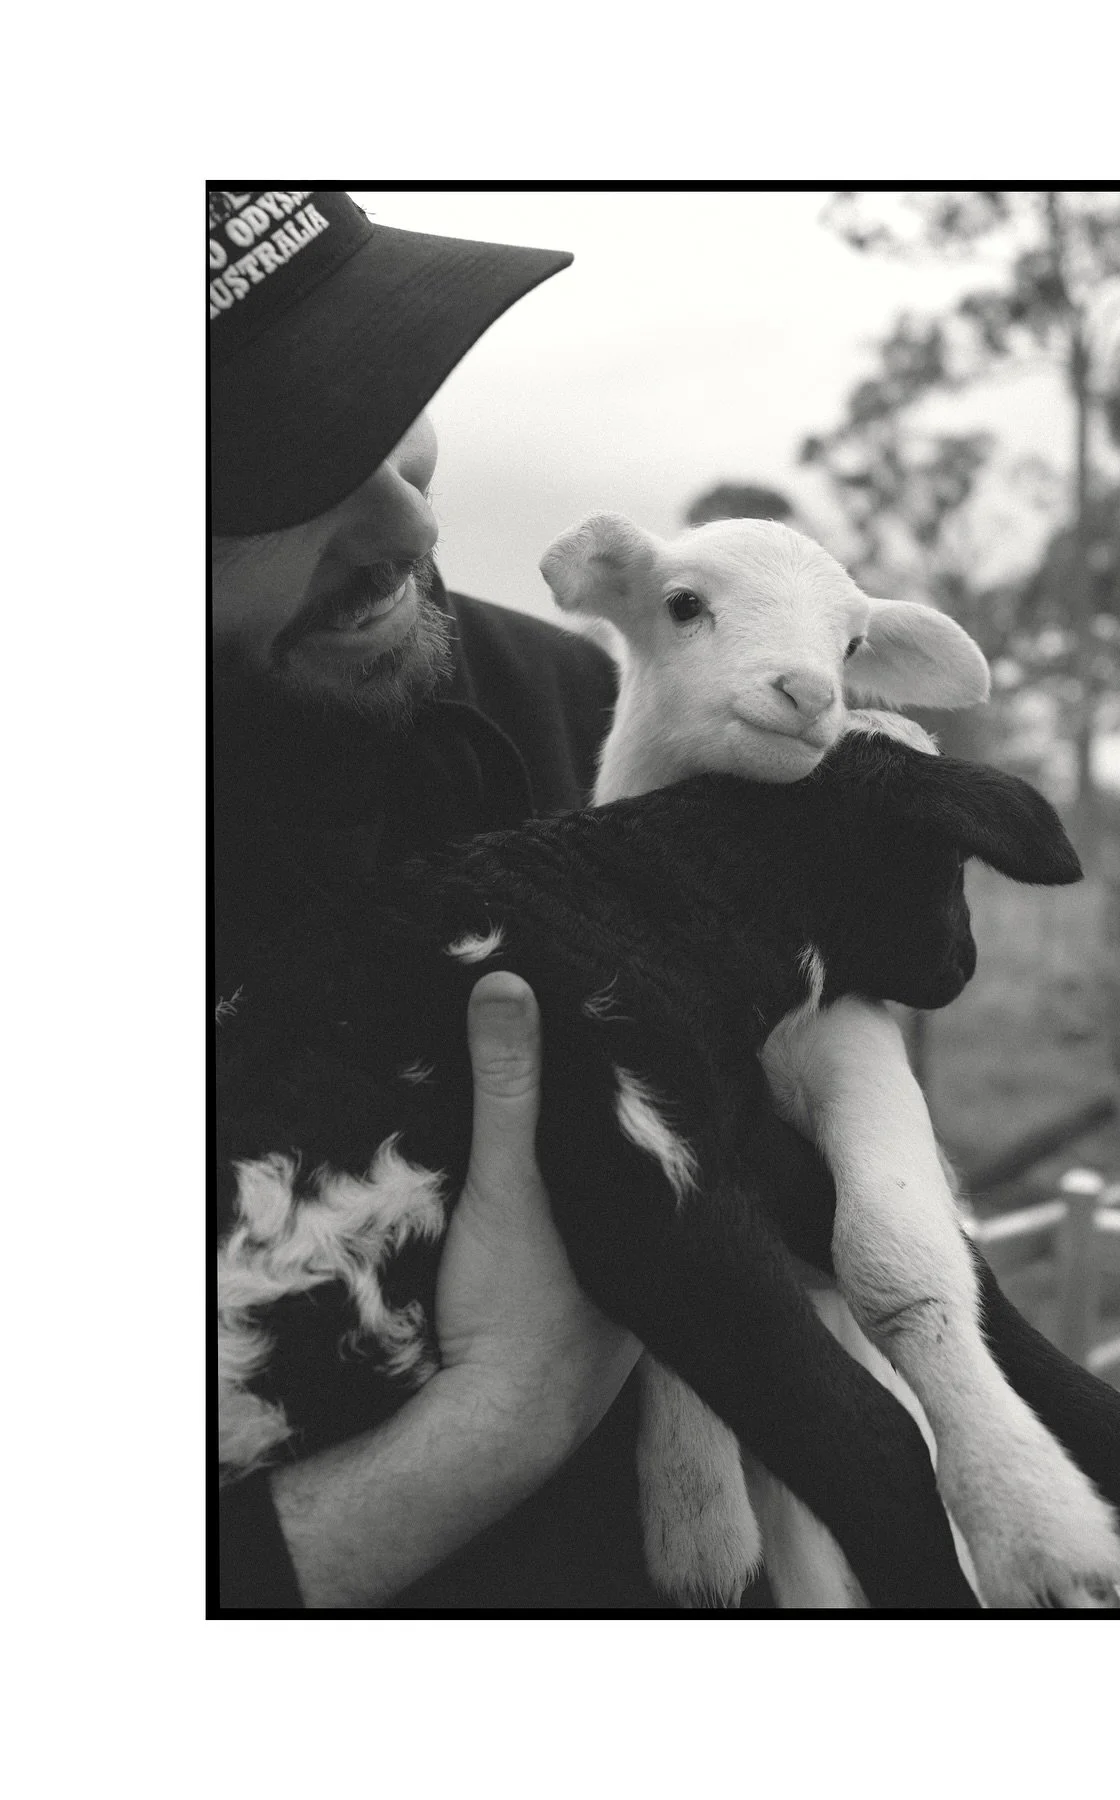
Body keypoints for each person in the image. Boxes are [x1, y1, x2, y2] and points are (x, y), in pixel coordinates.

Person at [211, 188, 748, 1610]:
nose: (407, 516)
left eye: (388, 399)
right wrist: (504, 1417)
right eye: (284, 463)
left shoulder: (563, 706)